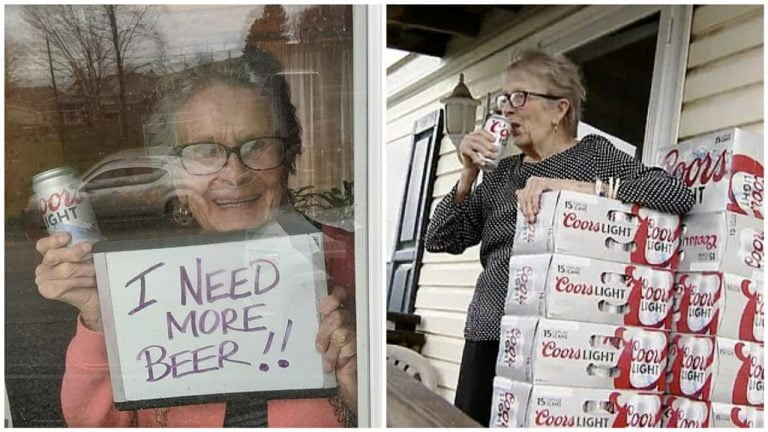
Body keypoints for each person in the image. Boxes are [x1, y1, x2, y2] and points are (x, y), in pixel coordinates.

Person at [33, 46, 357, 427]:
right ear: (174, 170)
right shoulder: (144, 276)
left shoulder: (350, 260)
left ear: (289, 154)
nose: (234, 174)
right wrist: (99, 317)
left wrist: (358, 376)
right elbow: (95, 425)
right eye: (205, 151)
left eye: (257, 145)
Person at [424, 49, 695, 426]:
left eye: (520, 97)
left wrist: (570, 188)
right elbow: (440, 239)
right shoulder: (500, 175)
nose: (507, 110)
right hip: (490, 334)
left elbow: (675, 194)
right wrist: (468, 174)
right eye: (504, 100)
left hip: (563, 339)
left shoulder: (594, 157)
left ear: (559, 109)